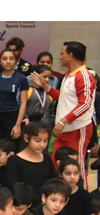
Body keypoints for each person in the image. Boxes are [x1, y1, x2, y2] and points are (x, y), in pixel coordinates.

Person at [31, 41, 96, 189]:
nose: (60, 57)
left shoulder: (83, 76)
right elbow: (65, 99)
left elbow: (85, 104)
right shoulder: (68, 75)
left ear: (70, 55)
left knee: (77, 166)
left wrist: (63, 121)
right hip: (64, 130)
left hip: (78, 129)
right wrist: (46, 87)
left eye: (62, 53)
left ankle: (83, 201)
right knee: (56, 164)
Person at [5, 121, 56, 196]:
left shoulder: (46, 158)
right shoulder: (14, 161)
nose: (42, 145)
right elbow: (13, 187)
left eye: (45, 141)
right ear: (26, 138)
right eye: (37, 140)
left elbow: (54, 181)